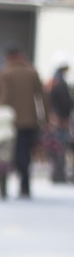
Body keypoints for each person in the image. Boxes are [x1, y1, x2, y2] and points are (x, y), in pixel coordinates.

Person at [0, 47, 48, 198]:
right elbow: (42, 97)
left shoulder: (6, 74)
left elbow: (4, 99)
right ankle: (25, 185)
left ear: (9, 57)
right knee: (25, 153)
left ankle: (5, 185)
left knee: (8, 153)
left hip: (11, 121)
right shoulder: (33, 73)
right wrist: (46, 118)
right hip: (31, 121)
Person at [46, 52, 72, 183]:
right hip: (60, 120)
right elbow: (65, 103)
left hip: (56, 119)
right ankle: (58, 176)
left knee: (56, 147)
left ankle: (57, 175)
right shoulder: (59, 83)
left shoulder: (53, 81)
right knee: (59, 147)